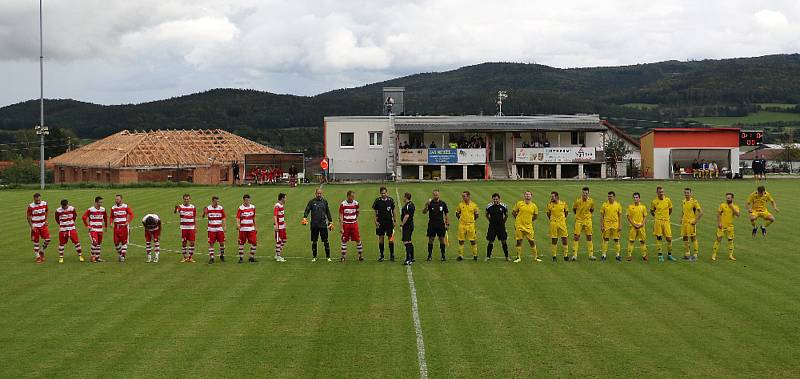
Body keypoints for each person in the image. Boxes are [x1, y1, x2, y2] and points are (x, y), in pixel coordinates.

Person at [303, 187, 334, 262]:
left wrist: (330, 221)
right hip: (314, 225)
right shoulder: (311, 202)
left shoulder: (325, 202)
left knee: (326, 241)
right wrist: (304, 217)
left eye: (320, 193)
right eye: (318, 193)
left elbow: (328, 212)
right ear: (315, 194)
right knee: (314, 241)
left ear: (322, 193)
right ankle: (314, 256)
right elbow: (307, 210)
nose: (319, 195)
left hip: (323, 224)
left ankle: (328, 257)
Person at [511, 191, 540, 263]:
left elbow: (535, 216)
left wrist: (529, 221)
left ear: (531, 196)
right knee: (519, 241)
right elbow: (514, 212)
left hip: (528, 227)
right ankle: (518, 257)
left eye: (529, 194)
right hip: (519, 226)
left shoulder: (534, 206)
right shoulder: (519, 203)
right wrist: (518, 220)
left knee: (531, 241)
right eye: (526, 194)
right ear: (524, 196)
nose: (527, 196)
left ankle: (535, 257)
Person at [422, 189, 449, 261]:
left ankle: (443, 255)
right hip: (432, 223)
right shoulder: (430, 203)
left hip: (440, 223)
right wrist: (426, 204)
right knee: (431, 239)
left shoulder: (443, 203)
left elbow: (446, 213)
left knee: (442, 239)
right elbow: (424, 212)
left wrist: (447, 223)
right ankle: (429, 255)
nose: (435, 195)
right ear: (433, 195)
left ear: (439, 195)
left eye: (437, 194)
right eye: (434, 194)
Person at [650, 186, 675, 262]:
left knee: (669, 238)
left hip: (666, 221)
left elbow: (670, 209)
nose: (661, 193)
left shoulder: (668, 200)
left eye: (662, 192)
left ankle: (669, 255)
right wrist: (657, 217)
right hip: (658, 222)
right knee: (659, 237)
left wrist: (666, 216)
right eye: (660, 192)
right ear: (657, 193)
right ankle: (660, 255)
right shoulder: (654, 202)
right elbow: (651, 211)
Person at [713, 193, 741, 261]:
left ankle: (730, 255)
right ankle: (714, 254)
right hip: (722, 226)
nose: (727, 199)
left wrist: (732, 207)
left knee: (730, 241)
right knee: (718, 239)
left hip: (730, 227)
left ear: (732, 198)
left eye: (729, 198)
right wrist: (719, 223)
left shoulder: (735, 206)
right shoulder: (722, 205)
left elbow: (738, 215)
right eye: (727, 198)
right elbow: (718, 214)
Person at [372, 186, 397, 261]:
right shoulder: (377, 201)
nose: (383, 194)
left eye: (384, 193)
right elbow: (375, 212)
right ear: (380, 193)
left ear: (387, 193)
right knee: (381, 239)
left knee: (391, 239)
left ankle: (392, 255)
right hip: (380, 223)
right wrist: (375, 221)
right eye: (382, 193)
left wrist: (395, 220)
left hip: (389, 222)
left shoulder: (390, 200)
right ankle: (381, 255)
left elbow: (394, 210)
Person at [55, 199, 83, 263]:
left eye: (66, 206)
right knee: (61, 243)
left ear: (68, 204)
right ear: (61, 205)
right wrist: (62, 224)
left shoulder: (72, 209)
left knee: (76, 242)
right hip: (63, 229)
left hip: (71, 228)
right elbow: (57, 219)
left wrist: (71, 223)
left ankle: (80, 256)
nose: (65, 207)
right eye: (63, 206)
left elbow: (74, 217)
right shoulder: (58, 211)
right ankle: (61, 257)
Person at [338, 190, 363, 262]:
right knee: (344, 240)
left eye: (353, 196)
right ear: (348, 196)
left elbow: (357, 212)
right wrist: (341, 227)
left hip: (354, 224)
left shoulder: (356, 203)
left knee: (358, 239)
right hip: (346, 224)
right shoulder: (343, 204)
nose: (353, 198)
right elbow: (341, 216)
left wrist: (354, 219)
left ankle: (360, 255)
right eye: (351, 196)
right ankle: (343, 256)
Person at [572, 187, 595, 261]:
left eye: (586, 193)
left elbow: (592, 210)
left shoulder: (591, 201)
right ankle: (574, 255)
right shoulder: (578, 201)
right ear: (581, 193)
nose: (585, 194)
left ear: (588, 193)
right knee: (576, 237)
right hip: (579, 221)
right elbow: (574, 209)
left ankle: (591, 255)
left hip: (588, 221)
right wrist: (579, 216)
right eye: (583, 193)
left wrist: (587, 216)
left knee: (589, 237)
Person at [455, 191, 480, 261]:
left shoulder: (474, 205)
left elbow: (477, 214)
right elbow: (457, 213)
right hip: (462, 225)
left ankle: (475, 255)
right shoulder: (460, 205)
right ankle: (460, 255)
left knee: (473, 240)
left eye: (464, 196)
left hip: (471, 225)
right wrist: (461, 220)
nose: (463, 197)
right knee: (461, 240)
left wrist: (472, 220)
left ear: (468, 196)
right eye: (462, 196)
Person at [82, 196, 108, 263]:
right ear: (96, 202)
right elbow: (84, 217)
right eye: (100, 202)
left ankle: (98, 257)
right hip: (93, 229)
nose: (101, 203)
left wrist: (106, 226)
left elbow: (105, 217)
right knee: (95, 242)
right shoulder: (91, 209)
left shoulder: (103, 209)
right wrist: (87, 225)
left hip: (100, 229)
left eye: (102, 202)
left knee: (99, 244)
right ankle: (92, 257)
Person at [485, 193, 510, 261]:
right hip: (492, 226)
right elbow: (486, 214)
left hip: (501, 226)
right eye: (494, 199)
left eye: (497, 199)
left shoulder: (503, 206)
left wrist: (503, 222)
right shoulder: (489, 206)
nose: (495, 200)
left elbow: (506, 215)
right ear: (492, 199)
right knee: (490, 241)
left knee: (504, 241)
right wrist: (490, 220)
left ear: (499, 199)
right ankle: (488, 256)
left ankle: (507, 256)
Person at [680, 188, 703, 261]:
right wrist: (681, 218)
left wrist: (695, 221)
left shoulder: (694, 202)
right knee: (685, 237)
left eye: (688, 193)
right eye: (685, 193)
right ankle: (687, 254)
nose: (686, 194)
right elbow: (683, 211)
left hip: (691, 222)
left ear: (691, 193)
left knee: (693, 238)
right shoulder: (683, 201)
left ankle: (695, 254)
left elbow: (701, 212)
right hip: (684, 222)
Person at [27, 193, 51, 263]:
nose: (38, 200)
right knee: (36, 242)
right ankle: (37, 256)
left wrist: (46, 220)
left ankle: (42, 251)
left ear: (40, 198)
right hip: (35, 226)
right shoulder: (31, 206)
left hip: (43, 225)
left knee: (48, 239)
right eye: (36, 199)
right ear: (34, 199)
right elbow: (28, 217)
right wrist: (31, 226)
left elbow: (46, 211)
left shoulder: (44, 203)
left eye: (39, 199)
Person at [546, 191, 570, 261]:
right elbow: (548, 213)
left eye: (552, 196)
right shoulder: (549, 204)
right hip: (553, 224)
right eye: (551, 196)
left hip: (562, 224)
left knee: (564, 239)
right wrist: (552, 220)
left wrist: (563, 219)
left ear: (557, 197)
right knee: (554, 239)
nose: (551, 198)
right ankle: (554, 256)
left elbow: (566, 212)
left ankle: (565, 255)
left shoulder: (563, 203)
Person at [203, 196, 227, 264]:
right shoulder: (208, 208)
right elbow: (203, 216)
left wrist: (224, 226)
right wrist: (204, 213)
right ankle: (212, 258)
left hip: (219, 228)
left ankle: (222, 255)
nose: (217, 203)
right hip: (211, 229)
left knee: (222, 243)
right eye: (216, 201)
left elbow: (223, 217)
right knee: (211, 243)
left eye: (218, 201)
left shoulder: (220, 208)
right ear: (212, 201)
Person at [600, 191, 622, 262]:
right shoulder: (604, 205)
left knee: (616, 240)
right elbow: (602, 216)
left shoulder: (618, 205)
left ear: (614, 197)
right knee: (605, 239)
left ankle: (617, 255)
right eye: (608, 196)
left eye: (611, 196)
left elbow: (620, 216)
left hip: (615, 225)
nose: (609, 197)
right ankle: (603, 255)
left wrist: (620, 225)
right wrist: (602, 225)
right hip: (607, 225)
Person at [174, 194, 197, 263]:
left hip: (191, 227)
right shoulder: (180, 207)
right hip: (184, 228)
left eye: (187, 199)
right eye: (185, 199)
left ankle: (190, 257)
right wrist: (175, 208)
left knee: (192, 242)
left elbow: (194, 217)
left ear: (190, 199)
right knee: (184, 243)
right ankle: (184, 257)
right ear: (183, 199)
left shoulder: (193, 207)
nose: (186, 200)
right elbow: (175, 212)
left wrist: (195, 226)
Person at [626, 192, 649, 261]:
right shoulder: (630, 207)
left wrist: (642, 224)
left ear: (639, 198)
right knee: (631, 241)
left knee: (642, 241)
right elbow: (628, 217)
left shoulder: (643, 207)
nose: (635, 199)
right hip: (633, 227)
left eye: (637, 197)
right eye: (634, 197)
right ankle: (629, 255)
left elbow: (645, 216)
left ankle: (644, 255)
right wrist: (634, 224)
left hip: (641, 227)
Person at [111, 194, 133, 263]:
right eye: (115, 199)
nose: (116, 200)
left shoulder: (125, 206)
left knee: (124, 242)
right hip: (116, 227)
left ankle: (123, 256)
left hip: (124, 227)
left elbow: (131, 214)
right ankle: (121, 254)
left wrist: (128, 221)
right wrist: (111, 223)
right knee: (116, 242)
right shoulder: (113, 208)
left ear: (121, 199)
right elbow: (111, 216)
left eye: (117, 199)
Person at [236, 194, 258, 263]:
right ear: (244, 200)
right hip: (243, 229)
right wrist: (238, 224)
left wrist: (255, 226)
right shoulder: (241, 208)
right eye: (246, 200)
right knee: (241, 243)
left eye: (248, 200)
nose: (247, 201)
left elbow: (254, 217)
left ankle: (251, 257)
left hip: (251, 228)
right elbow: (238, 217)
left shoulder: (253, 207)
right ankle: (241, 258)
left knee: (254, 242)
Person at [400, 192, 416, 265]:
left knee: (406, 241)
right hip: (411, 224)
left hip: (407, 225)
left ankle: (408, 259)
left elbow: (407, 216)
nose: (403, 198)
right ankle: (412, 257)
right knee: (409, 241)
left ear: (406, 197)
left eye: (404, 197)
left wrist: (402, 224)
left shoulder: (407, 206)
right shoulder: (411, 204)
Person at [272, 193, 288, 262]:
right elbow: (275, 216)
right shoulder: (277, 206)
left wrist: (284, 222)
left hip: (282, 226)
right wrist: (276, 225)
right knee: (279, 241)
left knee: (284, 239)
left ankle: (277, 254)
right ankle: (278, 256)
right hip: (279, 226)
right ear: (282, 198)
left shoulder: (282, 205)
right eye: (285, 198)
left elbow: (281, 215)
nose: (286, 199)